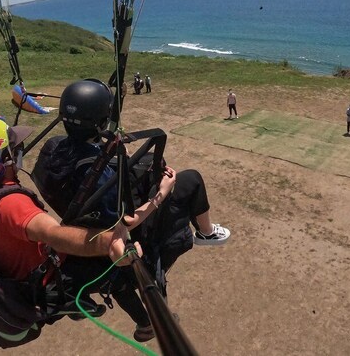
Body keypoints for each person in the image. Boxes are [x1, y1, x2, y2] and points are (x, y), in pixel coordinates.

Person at [0, 113, 152, 340]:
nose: (19, 149)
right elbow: (54, 234)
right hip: (45, 280)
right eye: (14, 147)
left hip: (20, 268)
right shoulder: (11, 205)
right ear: (4, 161)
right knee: (117, 273)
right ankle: (144, 323)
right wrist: (110, 242)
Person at [33, 80, 230, 295]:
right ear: (101, 121)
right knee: (192, 179)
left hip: (78, 214)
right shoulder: (100, 176)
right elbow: (126, 222)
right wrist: (162, 191)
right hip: (116, 228)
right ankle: (206, 232)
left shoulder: (53, 148)